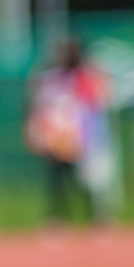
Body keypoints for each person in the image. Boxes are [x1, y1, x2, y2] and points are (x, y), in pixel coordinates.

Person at [25, 39, 110, 226]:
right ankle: (57, 218)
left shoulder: (82, 78)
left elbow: (94, 104)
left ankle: (96, 217)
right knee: (57, 181)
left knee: (85, 179)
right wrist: (39, 132)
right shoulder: (50, 80)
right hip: (56, 138)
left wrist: (88, 138)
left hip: (78, 138)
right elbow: (40, 108)